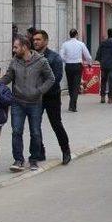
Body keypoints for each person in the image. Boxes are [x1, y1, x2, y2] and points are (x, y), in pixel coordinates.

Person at [1, 36, 55, 172]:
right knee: (16, 131)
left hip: (35, 103)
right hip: (17, 103)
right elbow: (8, 77)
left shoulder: (41, 61)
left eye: (16, 47)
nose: (14, 50)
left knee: (35, 133)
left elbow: (51, 78)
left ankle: (33, 160)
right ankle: (18, 160)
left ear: (24, 47)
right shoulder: (14, 61)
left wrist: (39, 91)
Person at [33, 30, 71, 165]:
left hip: (51, 96)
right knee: (35, 125)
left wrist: (41, 89)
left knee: (56, 124)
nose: (36, 42)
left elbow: (56, 78)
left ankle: (66, 151)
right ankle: (40, 152)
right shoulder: (31, 57)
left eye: (38, 39)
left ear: (46, 41)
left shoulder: (55, 58)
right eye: (34, 39)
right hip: (36, 97)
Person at [60, 29, 92, 112]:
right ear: (76, 35)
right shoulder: (81, 44)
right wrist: (89, 63)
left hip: (68, 66)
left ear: (69, 35)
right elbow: (87, 55)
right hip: (78, 66)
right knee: (76, 85)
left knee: (70, 85)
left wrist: (67, 60)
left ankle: (72, 104)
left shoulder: (65, 44)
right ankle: (73, 105)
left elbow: (61, 56)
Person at [96, 28, 112, 104]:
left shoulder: (103, 42)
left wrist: (99, 60)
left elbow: (99, 53)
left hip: (104, 64)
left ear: (108, 34)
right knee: (111, 81)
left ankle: (102, 97)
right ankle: (110, 98)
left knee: (103, 80)